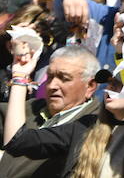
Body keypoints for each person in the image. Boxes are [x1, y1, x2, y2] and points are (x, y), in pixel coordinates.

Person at [1, 44, 101, 178]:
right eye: (50, 77)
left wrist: (19, 80)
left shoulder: (92, 127)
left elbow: (17, 141)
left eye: (64, 78)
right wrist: (20, 72)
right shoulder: (30, 108)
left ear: (90, 86)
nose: (52, 85)